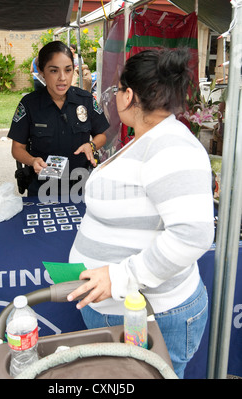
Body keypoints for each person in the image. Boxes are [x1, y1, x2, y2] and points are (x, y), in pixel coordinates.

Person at [67, 47, 215, 378]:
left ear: (129, 95)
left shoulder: (172, 147)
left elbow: (194, 235)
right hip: (117, 309)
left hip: (151, 316)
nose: (116, 96)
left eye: (118, 89)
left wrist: (119, 277)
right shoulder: (148, 138)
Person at [8, 41, 109, 197]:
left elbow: (102, 134)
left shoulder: (86, 100)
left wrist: (92, 145)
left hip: (80, 186)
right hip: (42, 188)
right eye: (54, 71)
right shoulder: (29, 104)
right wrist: (32, 160)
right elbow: (17, 149)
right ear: (41, 71)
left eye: (68, 70)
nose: (62, 78)